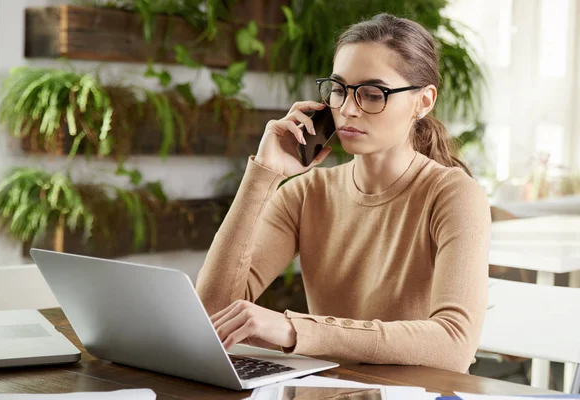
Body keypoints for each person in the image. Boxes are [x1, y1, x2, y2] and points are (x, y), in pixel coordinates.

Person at [195, 13, 491, 373]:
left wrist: (296, 330)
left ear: (423, 101)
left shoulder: (454, 196)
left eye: (372, 94)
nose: (348, 110)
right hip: (326, 390)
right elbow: (212, 315)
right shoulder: (305, 194)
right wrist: (264, 174)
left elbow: (454, 343)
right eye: (339, 90)